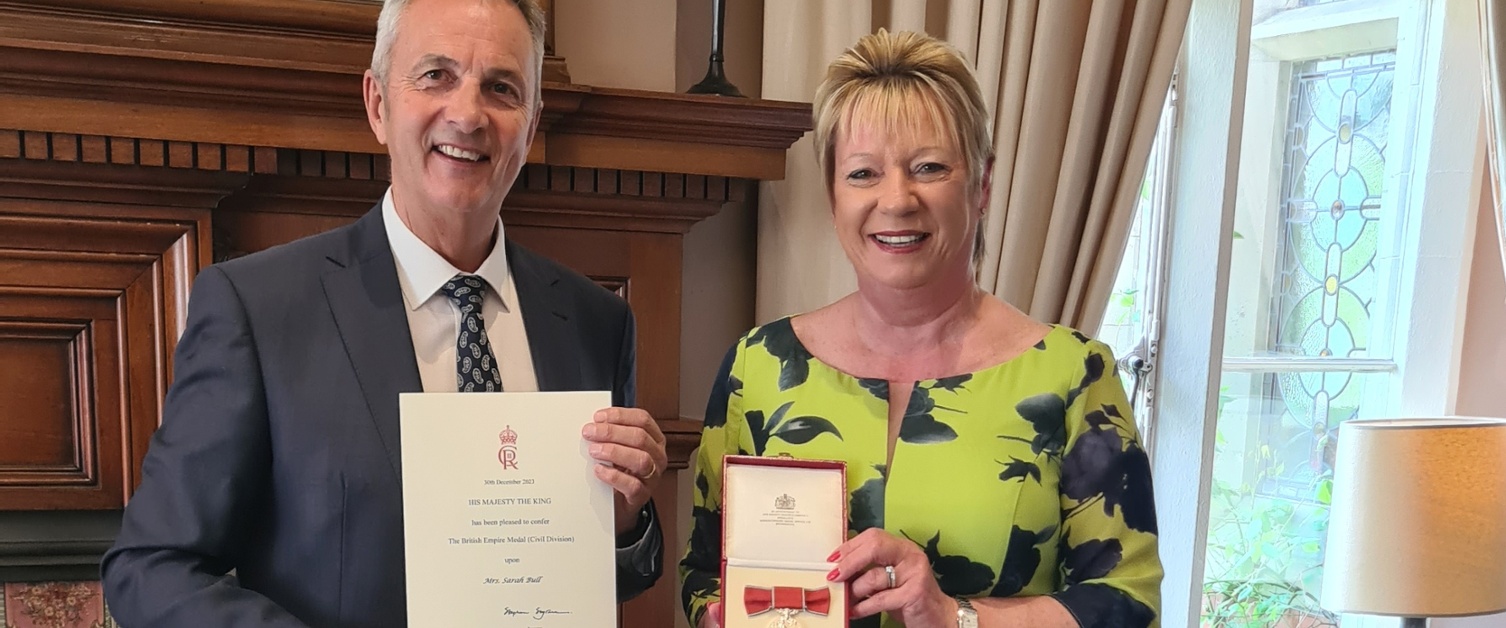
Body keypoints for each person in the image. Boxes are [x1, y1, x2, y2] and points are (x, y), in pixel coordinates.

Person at [100, 1, 666, 625]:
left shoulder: (595, 321)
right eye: (435, 76)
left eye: (501, 88)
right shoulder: (259, 311)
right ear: (377, 104)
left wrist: (624, 519)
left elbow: (604, 575)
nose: (468, 113)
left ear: (530, 126)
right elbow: (149, 568)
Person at [679, 30, 1161, 628]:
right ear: (833, 196)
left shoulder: (1073, 374)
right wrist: (720, 617)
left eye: (929, 167)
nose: (897, 199)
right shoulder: (757, 367)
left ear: (981, 186)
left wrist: (954, 615)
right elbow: (703, 574)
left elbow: (1128, 603)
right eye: (862, 174)